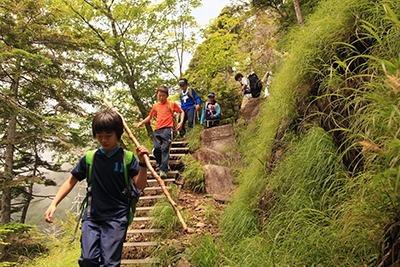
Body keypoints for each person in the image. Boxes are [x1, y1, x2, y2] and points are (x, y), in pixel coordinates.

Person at [44, 110, 149, 267]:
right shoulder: (90, 158)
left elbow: (140, 185)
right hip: (92, 217)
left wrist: (142, 164)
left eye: (108, 135)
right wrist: (54, 203)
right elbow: (71, 181)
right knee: (87, 260)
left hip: (117, 217)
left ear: (118, 134)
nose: (103, 140)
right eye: (99, 135)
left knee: (110, 263)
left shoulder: (126, 158)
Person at [137, 85, 184, 178]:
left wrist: (181, 122)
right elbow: (150, 116)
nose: (161, 98)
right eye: (159, 95)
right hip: (157, 130)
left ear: (167, 95)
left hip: (167, 130)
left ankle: (163, 170)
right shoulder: (155, 106)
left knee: (165, 149)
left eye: (163, 95)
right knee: (157, 149)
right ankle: (161, 163)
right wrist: (141, 123)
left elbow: (181, 112)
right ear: (157, 95)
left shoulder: (171, 104)